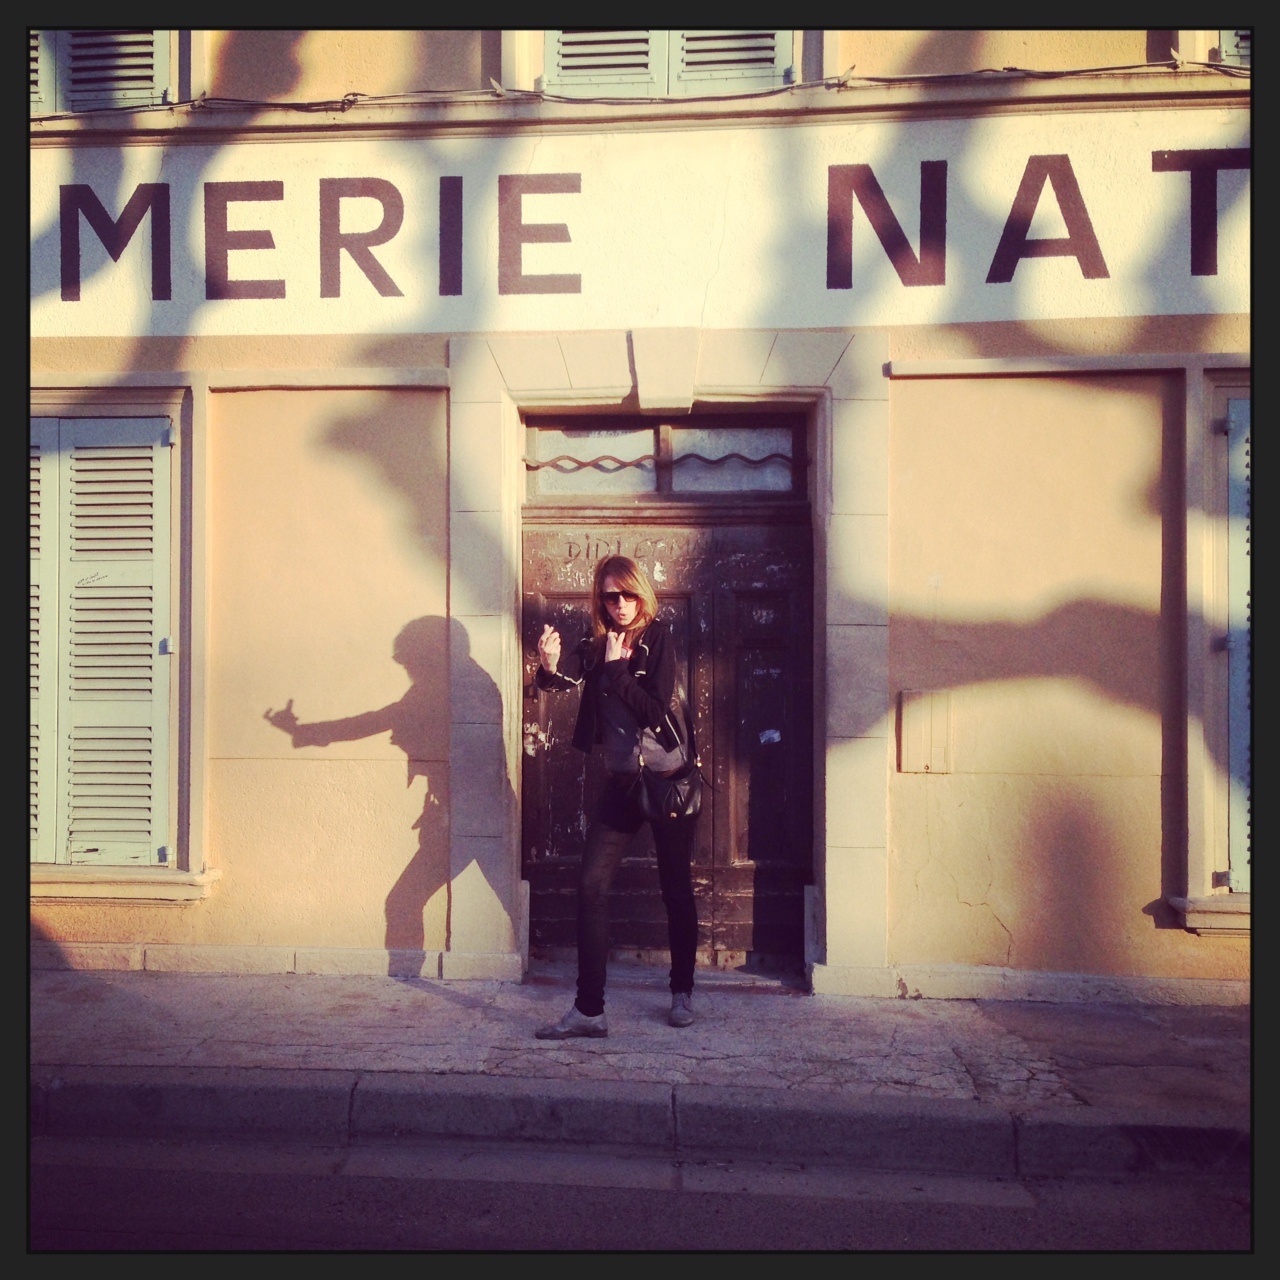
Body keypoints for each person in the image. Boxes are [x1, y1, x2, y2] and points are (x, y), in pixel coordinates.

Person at [533, 555, 699, 1038]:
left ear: (641, 595)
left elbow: (656, 711)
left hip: (667, 780)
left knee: (675, 887)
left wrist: (620, 674)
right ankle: (589, 1011)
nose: (621, 604)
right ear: (600, 599)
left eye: (628, 594)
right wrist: (547, 668)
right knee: (590, 885)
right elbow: (568, 680)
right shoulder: (597, 643)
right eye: (611, 596)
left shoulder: (660, 639)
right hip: (623, 783)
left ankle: (682, 990)